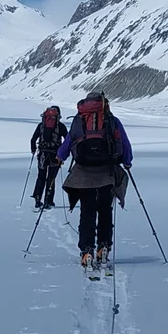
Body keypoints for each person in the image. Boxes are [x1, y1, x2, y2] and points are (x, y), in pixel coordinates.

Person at [57, 91, 132, 271]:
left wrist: (60, 157)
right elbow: (125, 143)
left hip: (83, 174)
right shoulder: (111, 120)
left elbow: (68, 143)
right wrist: (127, 162)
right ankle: (103, 247)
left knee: (87, 211)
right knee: (105, 210)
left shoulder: (79, 119)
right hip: (107, 173)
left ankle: (86, 251)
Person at [28, 106, 65, 209]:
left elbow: (33, 139)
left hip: (42, 155)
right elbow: (67, 141)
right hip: (55, 156)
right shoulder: (61, 126)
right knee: (51, 178)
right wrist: (63, 153)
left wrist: (33, 150)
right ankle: (48, 201)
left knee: (41, 177)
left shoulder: (41, 125)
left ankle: (37, 198)